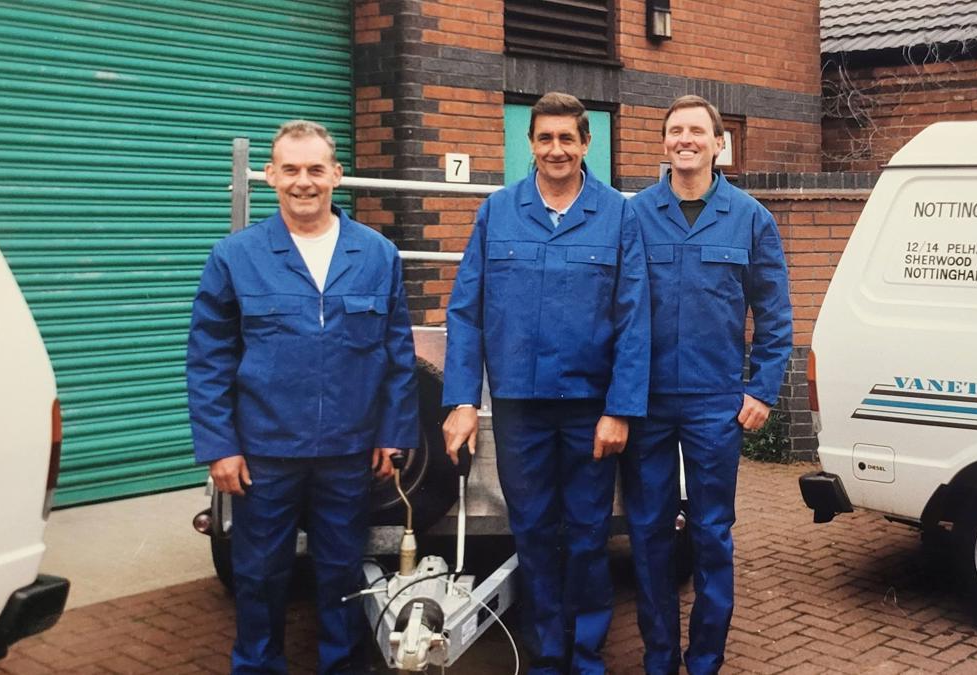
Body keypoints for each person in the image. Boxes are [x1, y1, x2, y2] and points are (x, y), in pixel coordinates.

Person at [187, 120, 419, 674]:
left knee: (342, 572)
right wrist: (220, 446)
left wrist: (393, 433)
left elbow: (397, 352)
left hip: (348, 449)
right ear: (270, 176)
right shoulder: (235, 256)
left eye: (316, 169)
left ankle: (342, 667)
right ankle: (258, 666)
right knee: (259, 574)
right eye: (290, 169)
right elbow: (208, 357)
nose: (303, 182)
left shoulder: (376, 253)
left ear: (337, 175)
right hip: (265, 451)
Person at [439, 91, 649, 675]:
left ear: (586, 144)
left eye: (567, 138)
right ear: (529, 143)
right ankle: (546, 656)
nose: (556, 149)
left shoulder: (618, 215)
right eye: (544, 138)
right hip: (519, 408)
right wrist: (460, 400)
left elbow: (635, 316)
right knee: (531, 532)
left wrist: (621, 408)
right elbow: (466, 312)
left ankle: (585, 655)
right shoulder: (497, 212)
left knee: (586, 535)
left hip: (589, 409)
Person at [622, 95, 794, 675]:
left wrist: (763, 389)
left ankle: (704, 662)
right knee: (648, 534)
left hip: (714, 402)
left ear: (720, 144)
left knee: (712, 533)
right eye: (675, 131)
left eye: (698, 131)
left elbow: (774, 314)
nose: (686, 139)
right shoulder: (635, 215)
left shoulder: (750, 218)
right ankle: (659, 657)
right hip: (644, 401)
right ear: (664, 143)